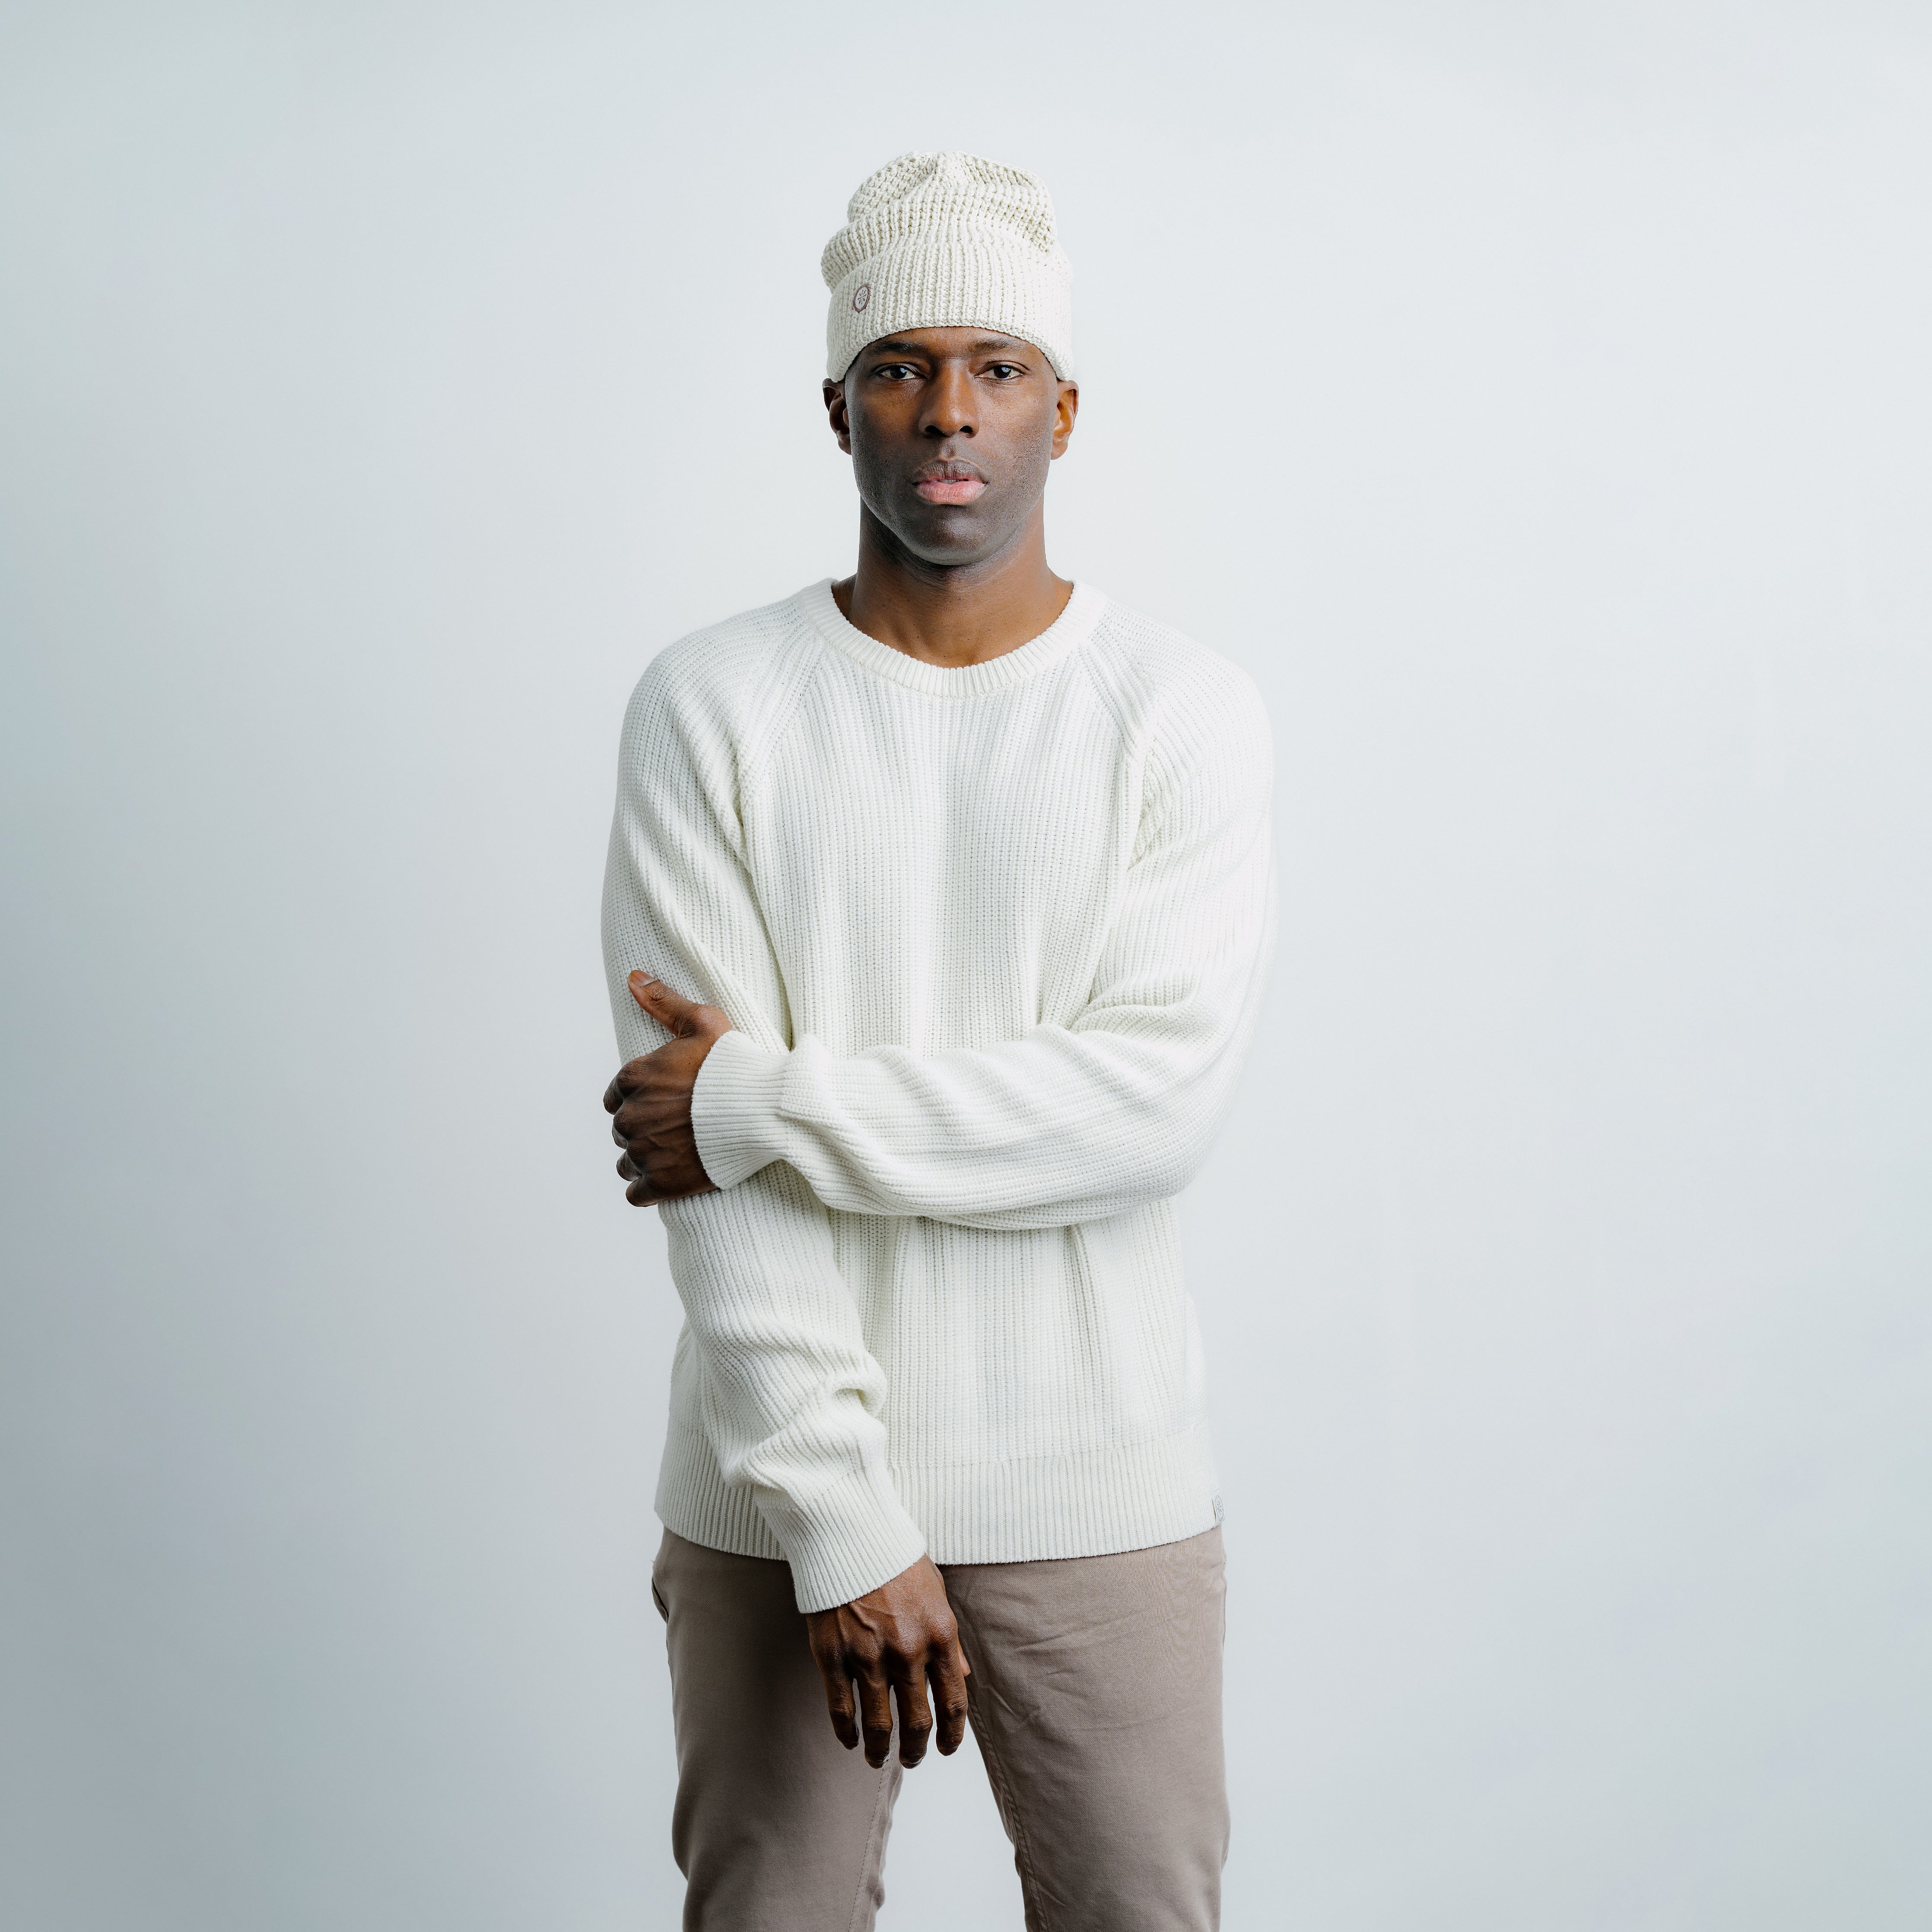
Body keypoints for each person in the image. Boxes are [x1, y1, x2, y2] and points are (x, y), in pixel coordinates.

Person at [600, 149, 1276, 1932]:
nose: (949, 411)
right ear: (837, 409)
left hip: (1099, 1480)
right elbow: (704, 1186)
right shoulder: (711, 705)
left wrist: (759, 1099)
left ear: (1066, 410)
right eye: (898, 366)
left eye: (997, 366)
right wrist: (841, 1520)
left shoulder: (1180, 713)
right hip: (774, 1498)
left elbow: (1148, 1106)